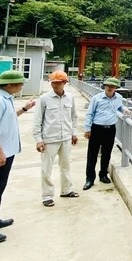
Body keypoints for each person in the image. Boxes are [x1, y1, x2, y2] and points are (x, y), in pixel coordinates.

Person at [0, 70, 36, 244]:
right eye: (20, 83)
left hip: (5, 153)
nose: (22, 86)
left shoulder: (5, 99)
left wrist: (25, 109)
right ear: (9, 85)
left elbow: (7, 118)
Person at [33, 70, 79, 207]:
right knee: (46, 168)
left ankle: (66, 190)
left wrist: (74, 133)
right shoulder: (44, 99)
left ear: (64, 83)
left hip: (66, 137)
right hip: (49, 138)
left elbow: (73, 117)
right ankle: (47, 196)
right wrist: (38, 140)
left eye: (58, 83)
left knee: (65, 166)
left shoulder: (70, 98)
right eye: (53, 82)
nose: (54, 85)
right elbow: (37, 120)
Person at [82, 77, 132, 190]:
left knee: (106, 153)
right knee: (92, 155)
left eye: (112, 86)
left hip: (110, 129)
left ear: (116, 88)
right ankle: (90, 179)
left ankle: (103, 175)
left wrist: (124, 109)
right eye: (108, 86)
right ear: (104, 86)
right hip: (97, 128)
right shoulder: (97, 98)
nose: (110, 88)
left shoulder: (118, 98)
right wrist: (87, 129)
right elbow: (89, 113)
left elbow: (119, 106)